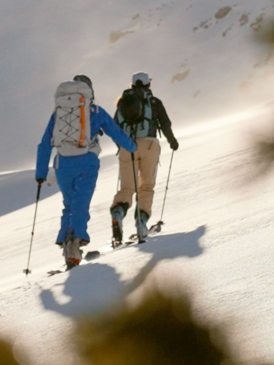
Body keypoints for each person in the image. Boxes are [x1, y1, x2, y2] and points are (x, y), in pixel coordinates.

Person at [36, 74, 136, 268]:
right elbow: (115, 132)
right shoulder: (95, 111)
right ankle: (74, 246)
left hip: (62, 164)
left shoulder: (58, 113)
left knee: (69, 204)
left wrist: (40, 173)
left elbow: (45, 143)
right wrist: (132, 147)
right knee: (81, 204)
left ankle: (66, 242)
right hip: (86, 162)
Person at [108, 71, 179, 244]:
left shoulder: (122, 103)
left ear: (132, 85)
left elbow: (114, 128)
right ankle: (141, 223)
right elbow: (165, 123)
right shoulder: (154, 102)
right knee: (146, 186)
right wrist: (172, 141)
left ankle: (118, 212)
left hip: (127, 147)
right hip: (149, 145)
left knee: (127, 188)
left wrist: (121, 147)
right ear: (148, 84)